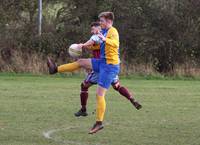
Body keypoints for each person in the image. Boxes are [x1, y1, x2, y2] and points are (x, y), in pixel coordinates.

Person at [47, 12, 128, 134]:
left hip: (110, 67)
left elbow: (116, 43)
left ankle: (99, 123)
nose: (100, 23)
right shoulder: (103, 32)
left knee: (99, 95)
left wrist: (105, 39)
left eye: (102, 21)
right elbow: (95, 43)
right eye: (100, 21)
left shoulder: (113, 31)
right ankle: (55, 69)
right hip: (102, 62)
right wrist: (83, 46)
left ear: (109, 21)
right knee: (80, 62)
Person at [75, 22, 142, 117]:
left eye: (93, 29)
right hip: (111, 66)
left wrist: (81, 45)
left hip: (100, 68)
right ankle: (131, 99)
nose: (91, 31)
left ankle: (83, 109)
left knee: (84, 86)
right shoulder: (106, 36)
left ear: (98, 28)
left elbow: (92, 44)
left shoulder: (97, 37)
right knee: (117, 86)